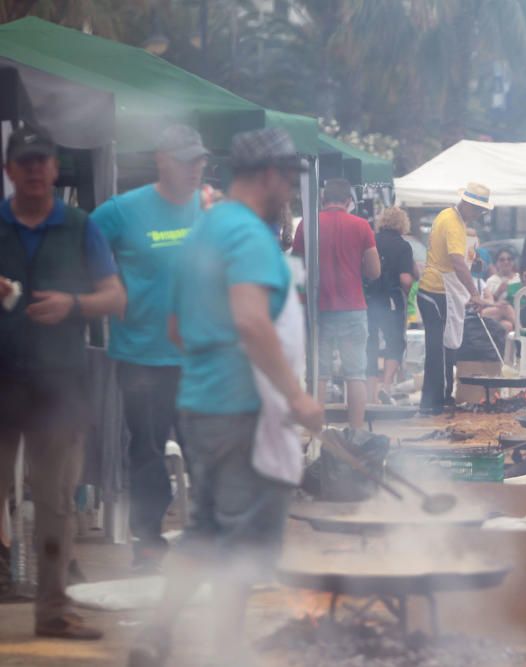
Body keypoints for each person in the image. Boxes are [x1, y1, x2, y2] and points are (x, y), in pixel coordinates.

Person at [129, 128, 323, 667]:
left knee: (207, 526)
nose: (288, 187)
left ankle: (159, 632)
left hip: (197, 402)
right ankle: (226, 650)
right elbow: (251, 321)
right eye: (286, 177)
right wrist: (297, 397)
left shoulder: (202, 232)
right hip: (241, 410)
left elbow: (175, 330)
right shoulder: (248, 236)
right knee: (240, 537)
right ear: (267, 175)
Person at [0, 127, 126, 639]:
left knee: (55, 504)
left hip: (59, 387)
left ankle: (53, 612)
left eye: (42, 161)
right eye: (24, 162)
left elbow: (115, 297)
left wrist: (72, 305)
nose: (34, 170)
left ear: (54, 169)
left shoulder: (80, 226)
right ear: (9, 170)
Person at [91, 124, 208, 572]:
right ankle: (149, 542)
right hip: (142, 356)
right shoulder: (123, 211)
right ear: (163, 160)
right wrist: (107, 290)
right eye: (187, 160)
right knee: (147, 450)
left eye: (200, 160)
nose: (196, 169)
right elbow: (82, 247)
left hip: (201, 358)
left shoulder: (210, 208)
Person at [292, 177, 380, 431]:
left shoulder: (307, 226)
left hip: (317, 308)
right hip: (353, 307)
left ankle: (315, 432)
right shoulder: (362, 226)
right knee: (355, 373)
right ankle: (356, 432)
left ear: (322, 199)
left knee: (319, 373)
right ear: (349, 201)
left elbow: (296, 269)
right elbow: (374, 271)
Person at [417, 183, 491, 416]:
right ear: (468, 204)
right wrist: (475, 294)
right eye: (478, 210)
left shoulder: (449, 217)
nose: (480, 215)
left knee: (444, 347)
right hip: (437, 291)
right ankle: (432, 403)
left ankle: (441, 397)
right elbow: (457, 262)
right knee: (439, 349)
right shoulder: (453, 222)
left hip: (438, 291)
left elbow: (460, 260)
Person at [365, 207, 417, 405]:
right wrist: (410, 286)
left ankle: (370, 395)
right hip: (391, 300)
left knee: (370, 344)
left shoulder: (372, 240)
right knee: (395, 343)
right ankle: (385, 387)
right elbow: (404, 279)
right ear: (403, 223)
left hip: (369, 299)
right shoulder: (403, 246)